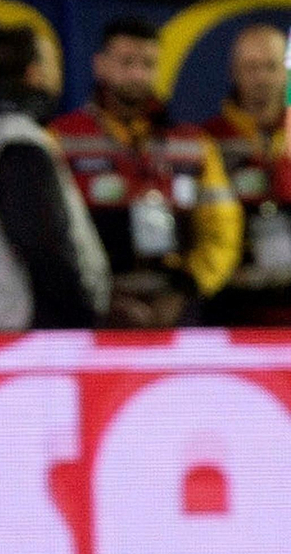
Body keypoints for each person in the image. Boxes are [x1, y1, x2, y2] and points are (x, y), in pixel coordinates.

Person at [50, 17, 242, 328]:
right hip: (97, 312)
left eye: (148, 64)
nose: (138, 74)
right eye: (127, 62)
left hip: (177, 308)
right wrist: (100, 299)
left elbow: (222, 228)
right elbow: (52, 238)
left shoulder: (194, 143)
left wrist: (188, 290)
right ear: (100, 65)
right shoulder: (61, 139)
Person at [0, 25, 110, 331]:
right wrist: (86, 315)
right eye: (55, 63)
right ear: (34, 74)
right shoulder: (19, 142)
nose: (60, 75)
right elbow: (46, 250)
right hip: (25, 339)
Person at [202, 23, 291, 325]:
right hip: (230, 300)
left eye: (271, 66)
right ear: (233, 73)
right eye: (250, 67)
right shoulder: (206, 139)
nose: (261, 78)